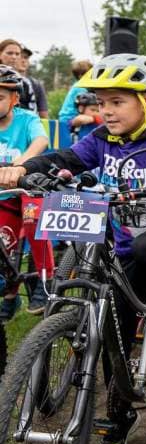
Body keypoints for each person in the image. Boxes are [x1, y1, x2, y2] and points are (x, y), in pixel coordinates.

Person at [0, 53, 146, 444]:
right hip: (127, 244)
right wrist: (23, 169)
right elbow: (64, 158)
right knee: (115, 320)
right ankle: (119, 412)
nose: (107, 110)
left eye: (117, 101)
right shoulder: (101, 139)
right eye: (101, 102)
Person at [0, 65, 53, 316]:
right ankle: (11, 294)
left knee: (34, 220)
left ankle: (45, 279)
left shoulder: (27, 119)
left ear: (15, 99)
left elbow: (41, 140)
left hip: (28, 188)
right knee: (4, 244)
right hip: (3, 195)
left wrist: (20, 164)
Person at [16, 46, 48, 118]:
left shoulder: (36, 84)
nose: (23, 60)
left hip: (31, 122)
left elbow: (43, 114)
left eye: (26, 57)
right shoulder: (4, 81)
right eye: (20, 57)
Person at [58, 59, 93, 124]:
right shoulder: (80, 88)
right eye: (90, 73)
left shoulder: (79, 86)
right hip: (69, 118)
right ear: (80, 75)